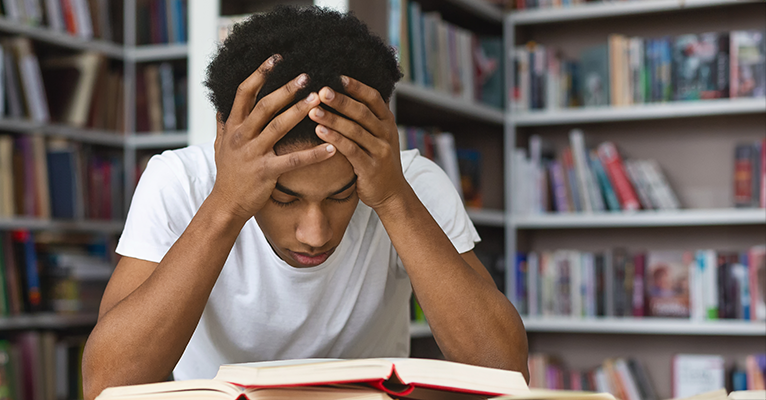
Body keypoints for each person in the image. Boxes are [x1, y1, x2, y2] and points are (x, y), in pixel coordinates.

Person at [82, 6, 528, 398]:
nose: (315, 235)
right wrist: (227, 204)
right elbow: (107, 386)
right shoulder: (180, 180)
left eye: (342, 194)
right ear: (223, 143)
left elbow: (505, 374)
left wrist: (392, 197)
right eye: (283, 196)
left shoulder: (409, 183)